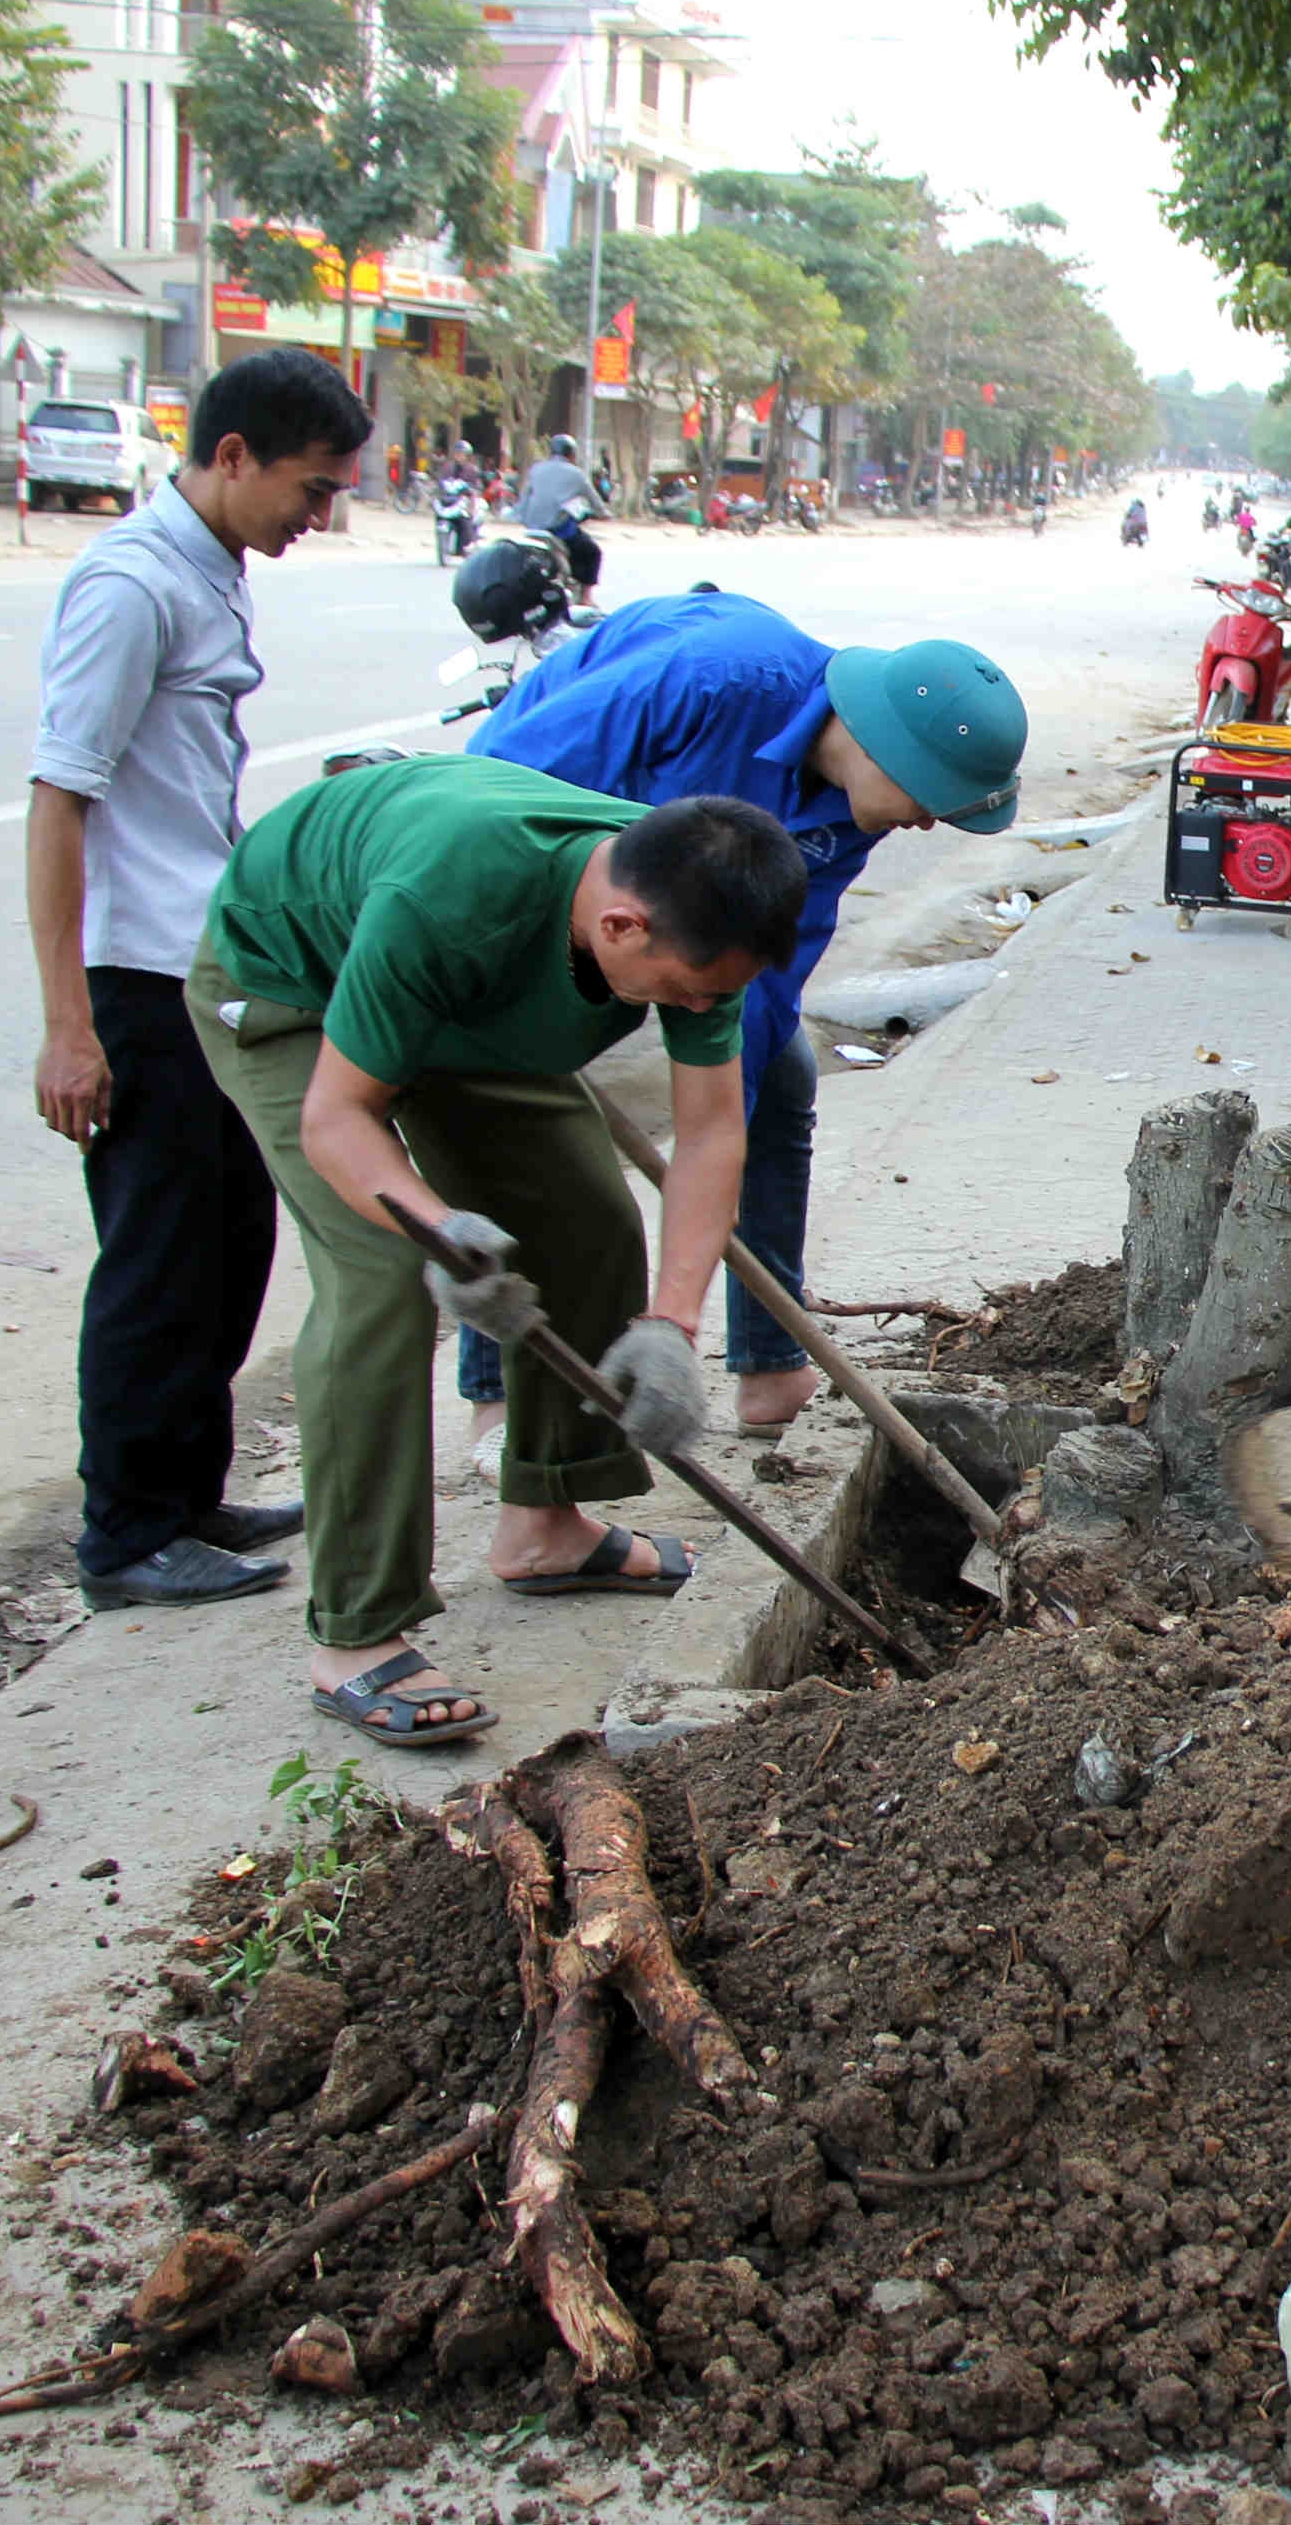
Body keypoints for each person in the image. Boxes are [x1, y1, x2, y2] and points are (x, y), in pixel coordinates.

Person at [188, 763, 816, 1746]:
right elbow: (336, 1119)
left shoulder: (703, 911)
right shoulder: (453, 896)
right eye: (684, 994)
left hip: (463, 1003)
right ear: (620, 930)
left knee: (591, 1227)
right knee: (383, 1278)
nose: (695, 1011)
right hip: (292, 984)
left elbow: (709, 1137)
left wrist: (670, 1326)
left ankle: (545, 1529)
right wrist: (440, 1231)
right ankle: (356, 1632)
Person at [457, 594, 1027, 1434]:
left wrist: (718, 1121)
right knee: (527, 1110)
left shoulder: (856, 802)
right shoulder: (714, 678)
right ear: (886, 744)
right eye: (934, 795)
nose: (931, 819)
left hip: (687, 911)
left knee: (781, 1076)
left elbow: (776, 962)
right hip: (537, 868)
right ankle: (498, 1394)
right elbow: (501, 780)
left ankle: (769, 1363)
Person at [26, 347, 374, 1611]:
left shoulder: (206, 568)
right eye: (311, 488)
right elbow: (60, 799)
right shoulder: (127, 585)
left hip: (208, 964)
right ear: (231, 457)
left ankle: (186, 1494)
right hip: (138, 977)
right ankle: (124, 1536)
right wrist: (70, 1028)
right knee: (160, 1257)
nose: (319, 516)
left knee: (230, 1242)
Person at [516, 432, 602, 595]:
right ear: (571, 454)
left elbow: (524, 498)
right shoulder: (576, 474)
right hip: (557, 529)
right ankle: (586, 596)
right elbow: (595, 500)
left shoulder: (536, 469)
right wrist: (604, 513)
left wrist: (520, 516)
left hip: (532, 527)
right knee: (591, 551)